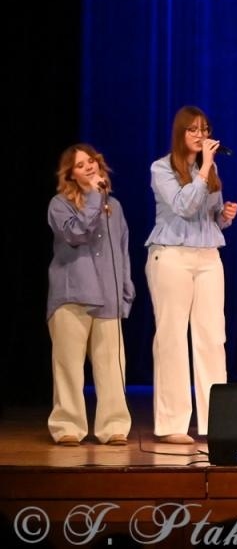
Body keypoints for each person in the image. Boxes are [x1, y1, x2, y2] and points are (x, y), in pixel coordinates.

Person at [146, 106, 237, 443]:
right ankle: (171, 424)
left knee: (212, 338)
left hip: (208, 257)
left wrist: (224, 215)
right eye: (194, 130)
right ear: (181, 134)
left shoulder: (208, 172)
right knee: (171, 339)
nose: (201, 136)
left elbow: (208, 218)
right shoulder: (161, 168)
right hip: (171, 256)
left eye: (205, 129)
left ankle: (217, 422)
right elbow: (183, 207)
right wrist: (206, 171)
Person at [46, 144, 134, 446]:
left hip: (107, 296)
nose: (88, 167)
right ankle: (67, 425)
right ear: (70, 173)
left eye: (91, 161)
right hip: (72, 297)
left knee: (111, 366)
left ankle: (113, 427)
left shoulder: (115, 207)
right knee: (68, 366)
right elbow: (75, 234)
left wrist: (125, 291)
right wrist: (95, 197)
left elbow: (121, 252)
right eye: (80, 164)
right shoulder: (60, 204)